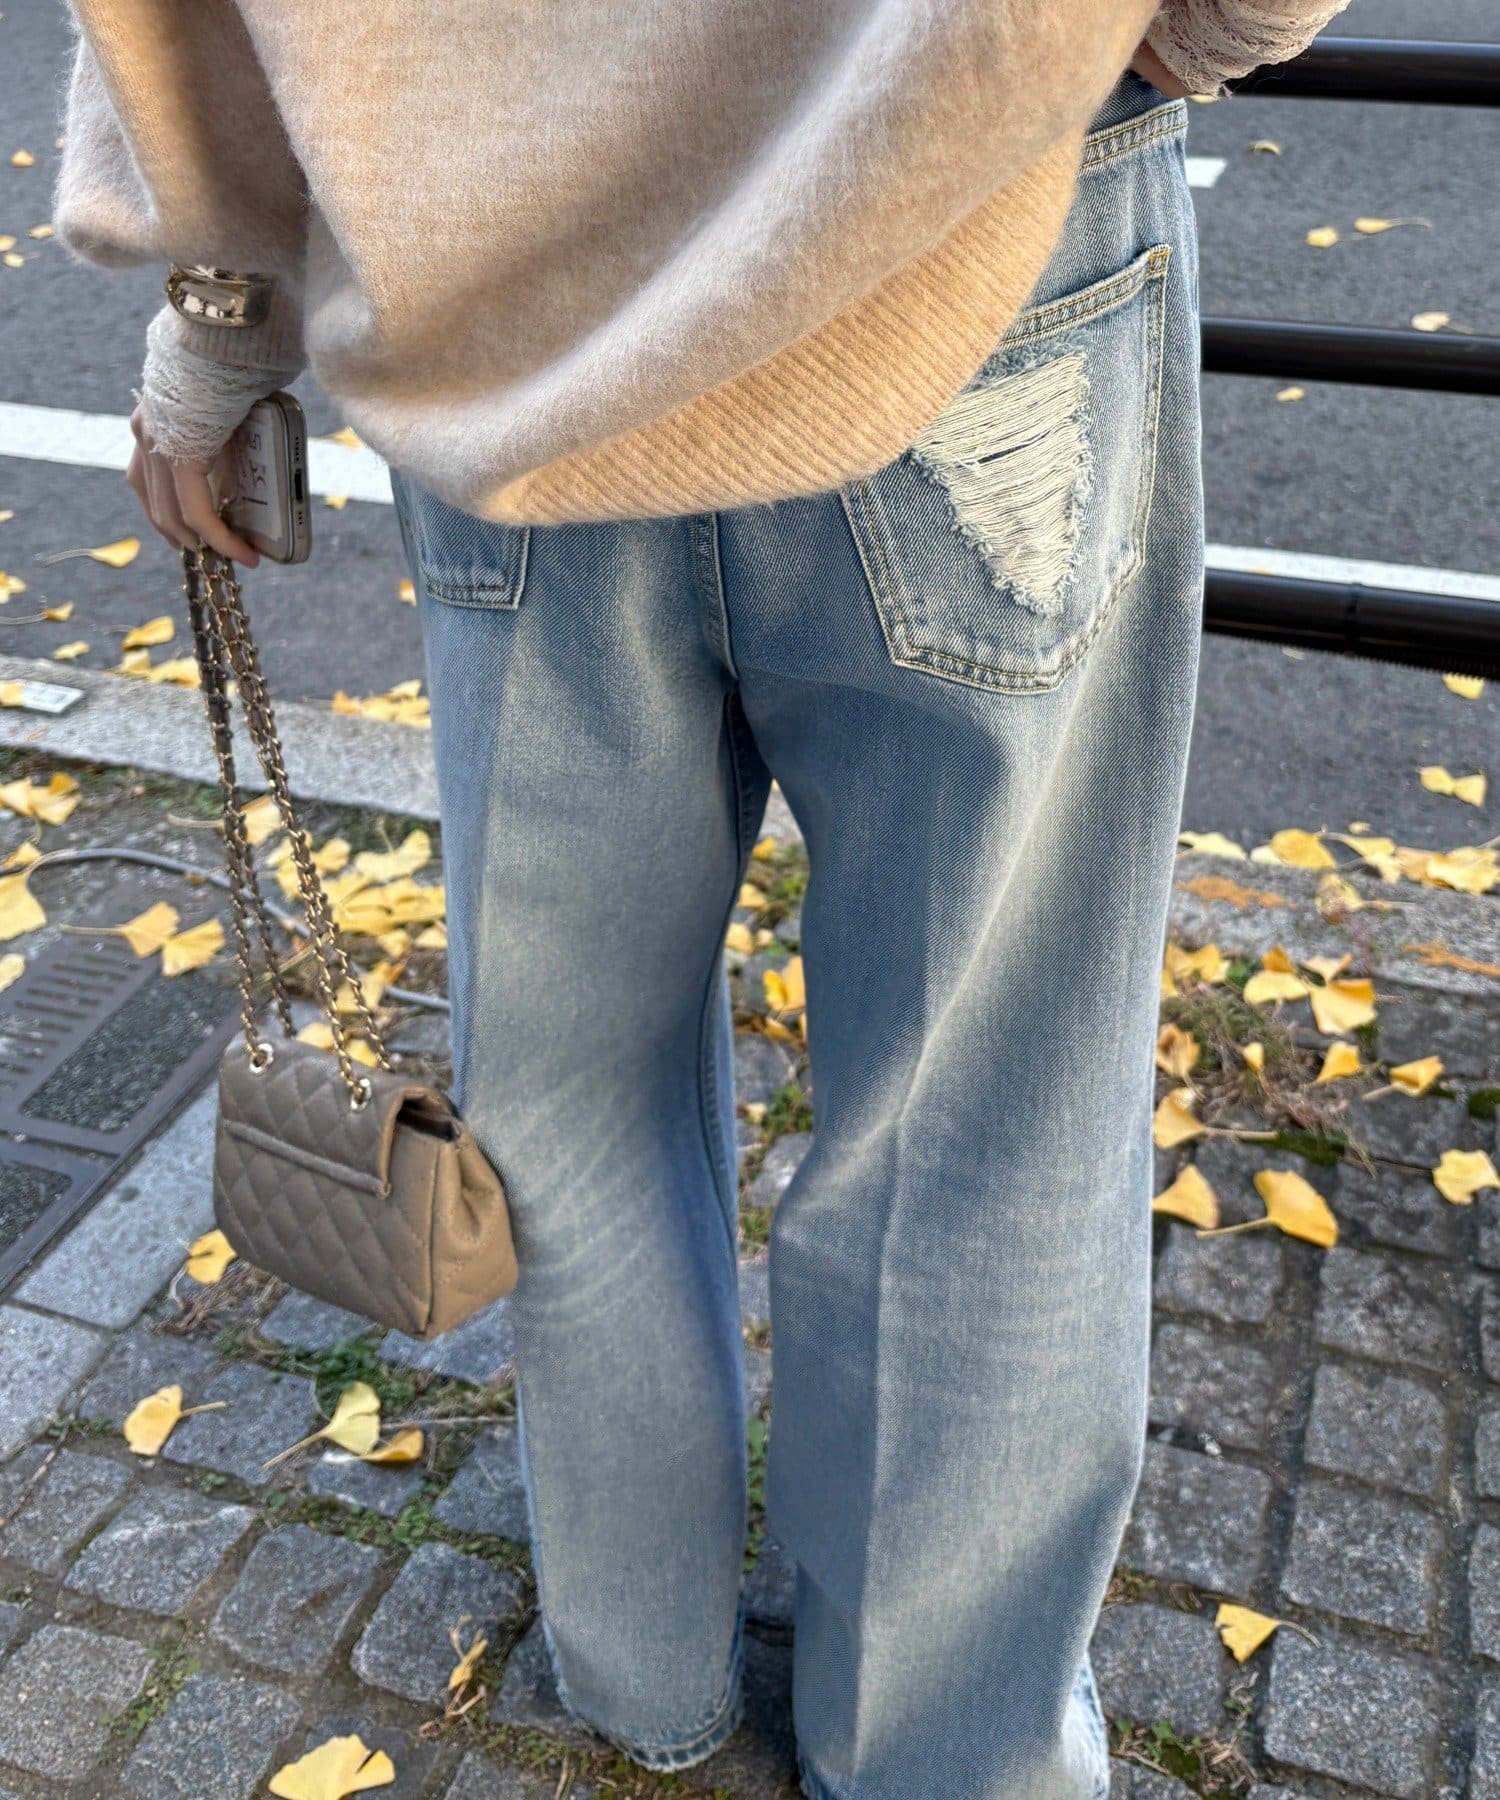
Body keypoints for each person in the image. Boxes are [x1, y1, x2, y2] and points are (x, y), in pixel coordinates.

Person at [55, 4, 1348, 1795]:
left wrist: (216, 329)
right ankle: (939, 1756)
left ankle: (638, 1665)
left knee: (565, 1079)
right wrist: (1190, 30)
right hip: (964, 208)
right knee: (988, 1101)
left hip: (498, 273)